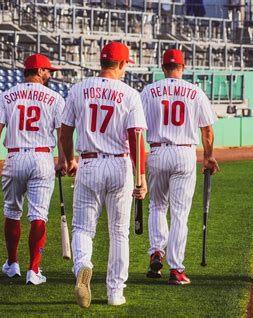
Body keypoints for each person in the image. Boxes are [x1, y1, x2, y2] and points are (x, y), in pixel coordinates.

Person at [60, 41, 147, 307]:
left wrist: (70, 159)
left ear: (102, 62)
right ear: (120, 64)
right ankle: (115, 292)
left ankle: (83, 266)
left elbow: (64, 131)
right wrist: (141, 177)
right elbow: (136, 138)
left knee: (83, 228)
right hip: (119, 165)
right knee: (118, 232)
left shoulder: (78, 89)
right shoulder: (129, 93)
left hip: (88, 163)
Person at [0, 54, 66, 285]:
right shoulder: (55, 97)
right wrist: (64, 160)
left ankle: (12, 264)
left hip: (14, 156)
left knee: (12, 212)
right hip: (42, 157)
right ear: (38, 71)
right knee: (38, 215)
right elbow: (62, 133)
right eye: (48, 71)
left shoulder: (7, 95)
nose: (50, 74)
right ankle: (34, 270)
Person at [140, 49, 219, 285]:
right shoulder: (195, 92)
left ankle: (156, 252)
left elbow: (138, 128)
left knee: (156, 205)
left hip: (157, 150)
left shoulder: (149, 91)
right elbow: (207, 130)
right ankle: (176, 268)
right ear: (183, 68)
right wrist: (209, 156)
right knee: (180, 214)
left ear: (163, 68)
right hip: (184, 151)